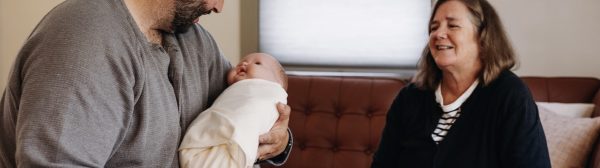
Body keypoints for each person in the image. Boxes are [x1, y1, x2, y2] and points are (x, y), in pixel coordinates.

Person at [0, 0, 292, 167]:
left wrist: (279, 140)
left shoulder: (195, 40)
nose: (218, 6)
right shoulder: (86, 39)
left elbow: (244, 100)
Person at [372, 0, 550, 167]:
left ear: (483, 37)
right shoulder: (409, 97)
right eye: (434, 27)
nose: (438, 34)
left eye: (453, 25)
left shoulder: (510, 96)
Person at [179, 53, 288, 168]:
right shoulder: (236, 91)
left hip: (236, 145)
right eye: (241, 61)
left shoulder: (271, 94)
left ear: (277, 83)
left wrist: (285, 140)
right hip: (212, 141)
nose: (244, 63)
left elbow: (260, 117)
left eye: (257, 63)